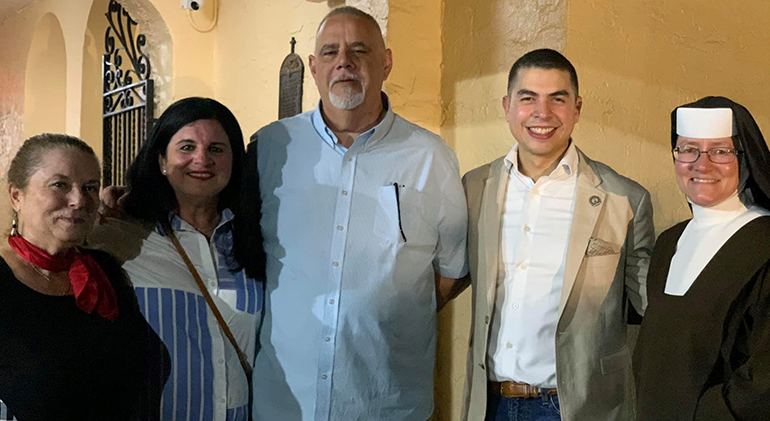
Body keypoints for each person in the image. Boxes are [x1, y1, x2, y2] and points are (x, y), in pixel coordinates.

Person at [244, 6, 468, 420]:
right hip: (284, 404)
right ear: (313, 67)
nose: (344, 61)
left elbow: (450, 273)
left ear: (386, 62)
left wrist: (387, 306)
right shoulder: (271, 148)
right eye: (330, 52)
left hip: (386, 405)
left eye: (359, 50)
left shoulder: (430, 157)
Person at [460, 49, 654, 421]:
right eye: (528, 97)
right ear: (507, 105)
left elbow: (651, 306)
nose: (542, 113)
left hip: (578, 407)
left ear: (577, 108)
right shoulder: (474, 188)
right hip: (490, 404)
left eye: (557, 99)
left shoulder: (624, 199)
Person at [90, 97, 263, 421]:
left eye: (216, 149)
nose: (202, 159)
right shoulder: (120, 237)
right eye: (186, 147)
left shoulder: (257, 241)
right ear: (161, 161)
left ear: (233, 161)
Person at [0, 134, 168, 420]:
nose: (79, 200)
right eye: (60, 185)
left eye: (90, 187)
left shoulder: (104, 271)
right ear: (17, 195)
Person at [633, 96, 770, 420]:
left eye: (720, 151)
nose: (702, 164)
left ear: (746, 158)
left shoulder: (764, 244)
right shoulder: (669, 242)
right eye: (688, 149)